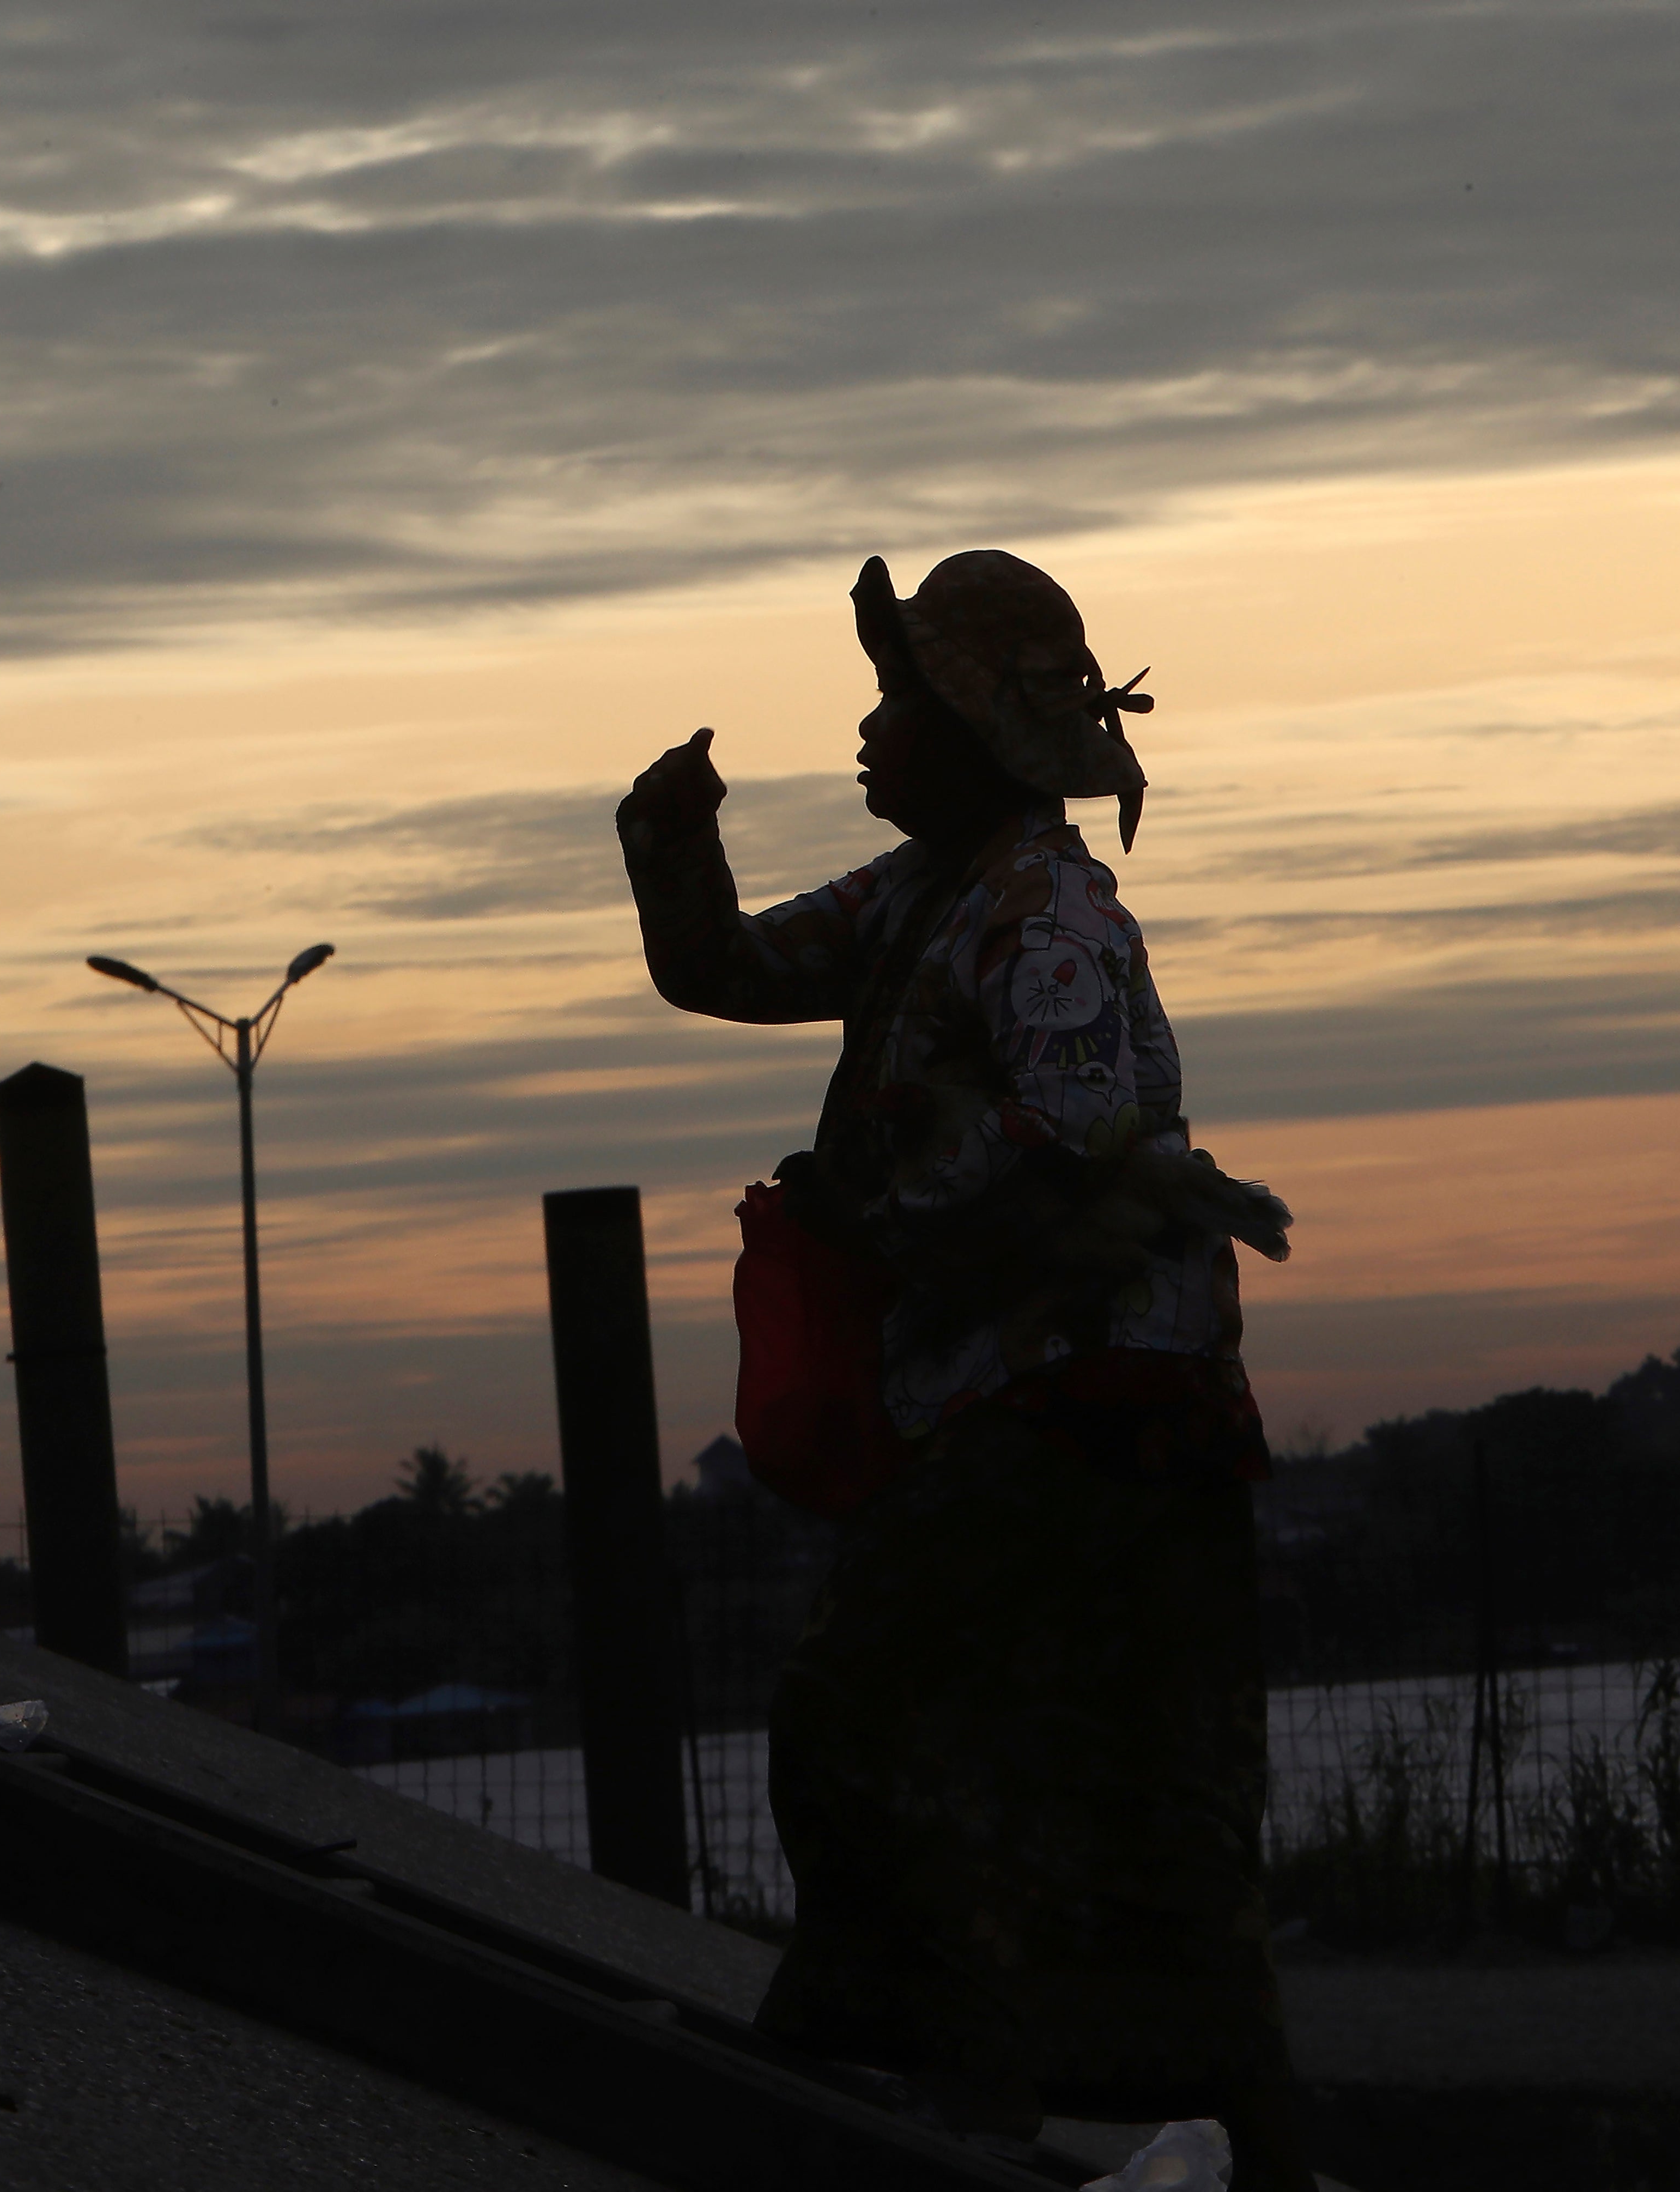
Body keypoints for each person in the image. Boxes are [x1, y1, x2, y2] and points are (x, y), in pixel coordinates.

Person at [614, 550, 1312, 2190]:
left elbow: (1074, 1129)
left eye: (901, 705)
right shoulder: (916, 897)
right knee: (1105, 1753)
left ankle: (986, 2081)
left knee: (885, 1701)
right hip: (1034, 1398)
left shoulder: (1044, 911)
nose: (870, 735)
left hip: (1097, 1401)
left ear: (981, 737)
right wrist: (673, 841)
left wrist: (883, 1194)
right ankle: (1101, 2104)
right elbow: (727, 972)